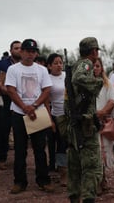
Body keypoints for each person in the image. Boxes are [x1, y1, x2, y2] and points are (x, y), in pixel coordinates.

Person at [5, 38, 54, 194]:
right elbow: (10, 90)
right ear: (22, 52)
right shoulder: (14, 69)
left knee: (40, 148)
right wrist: (24, 107)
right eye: (27, 51)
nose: (30, 54)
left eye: (33, 52)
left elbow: (46, 90)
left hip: (37, 113)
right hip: (19, 114)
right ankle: (19, 181)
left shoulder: (42, 70)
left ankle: (43, 180)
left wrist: (33, 106)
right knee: (20, 150)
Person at [64, 37, 103, 203]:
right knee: (92, 166)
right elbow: (78, 78)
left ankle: (74, 196)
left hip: (74, 121)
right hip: (85, 122)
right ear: (94, 51)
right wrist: (97, 83)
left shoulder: (74, 65)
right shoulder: (85, 64)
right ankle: (88, 198)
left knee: (74, 164)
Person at [0, 40, 21, 170]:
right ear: (11, 50)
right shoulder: (2, 64)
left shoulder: (25, 64)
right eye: (16, 48)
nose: (18, 50)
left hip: (22, 102)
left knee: (21, 131)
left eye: (20, 48)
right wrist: (9, 92)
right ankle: (1, 158)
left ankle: (20, 159)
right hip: (6, 101)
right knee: (4, 130)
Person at [93, 57, 114, 195]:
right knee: (93, 152)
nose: (95, 68)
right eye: (92, 66)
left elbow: (113, 100)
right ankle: (95, 181)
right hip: (89, 124)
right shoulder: (82, 84)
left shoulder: (107, 83)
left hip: (104, 122)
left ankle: (103, 179)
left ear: (101, 68)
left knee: (104, 150)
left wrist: (102, 113)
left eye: (97, 66)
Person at [45, 53, 68, 186]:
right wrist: (50, 120)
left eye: (60, 62)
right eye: (55, 63)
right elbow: (46, 102)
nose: (59, 65)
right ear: (49, 66)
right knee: (60, 144)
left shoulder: (67, 76)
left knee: (69, 144)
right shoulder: (47, 79)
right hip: (56, 114)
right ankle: (62, 172)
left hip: (69, 115)